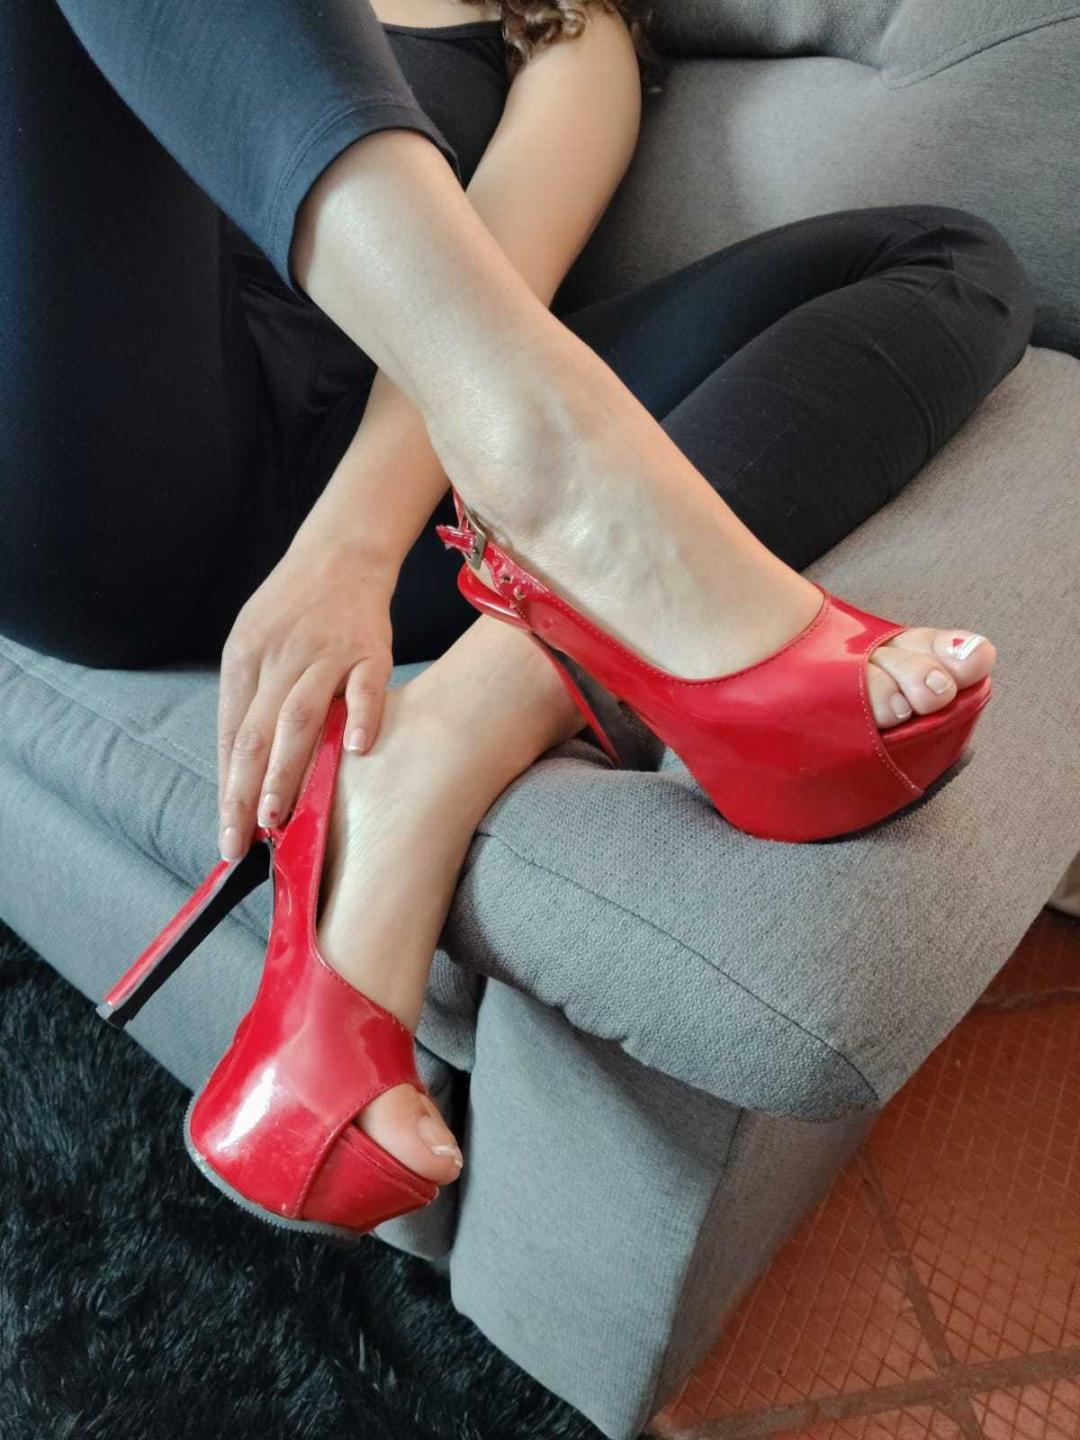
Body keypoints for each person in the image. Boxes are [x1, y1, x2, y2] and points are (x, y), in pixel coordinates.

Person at [10, 0, 1034, 1238]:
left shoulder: (567, 34)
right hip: (104, 462)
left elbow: (482, 310)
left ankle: (454, 729)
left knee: (950, 259)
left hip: (397, 496)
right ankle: (568, 507)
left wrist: (349, 542)